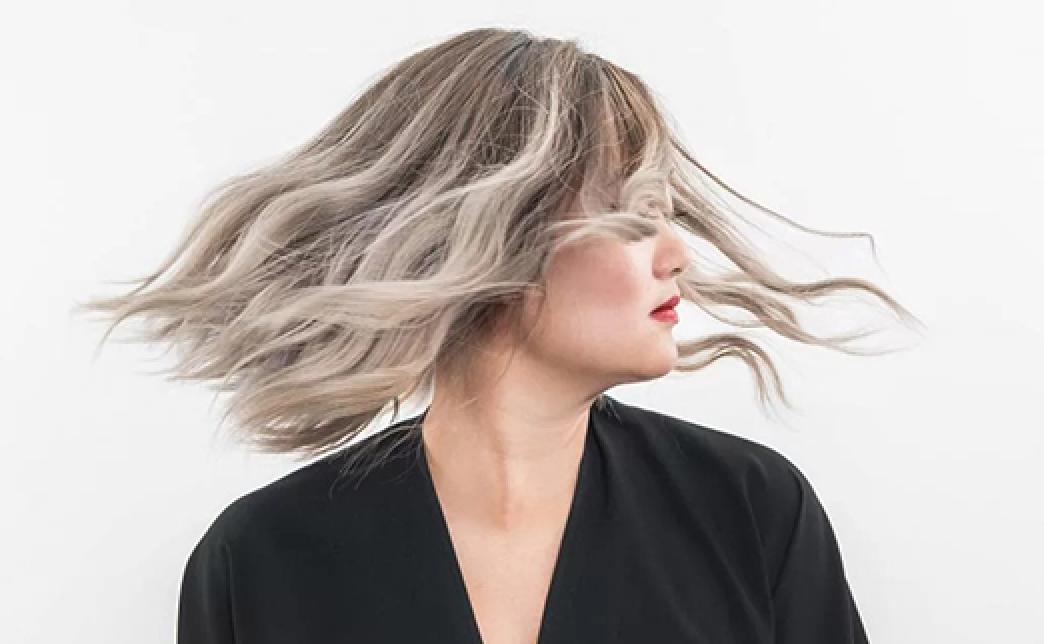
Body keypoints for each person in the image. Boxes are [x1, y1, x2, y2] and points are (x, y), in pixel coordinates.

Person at [76, 26, 921, 644]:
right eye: (634, 216)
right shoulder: (261, 559)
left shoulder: (749, 512)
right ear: (494, 230)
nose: (677, 255)